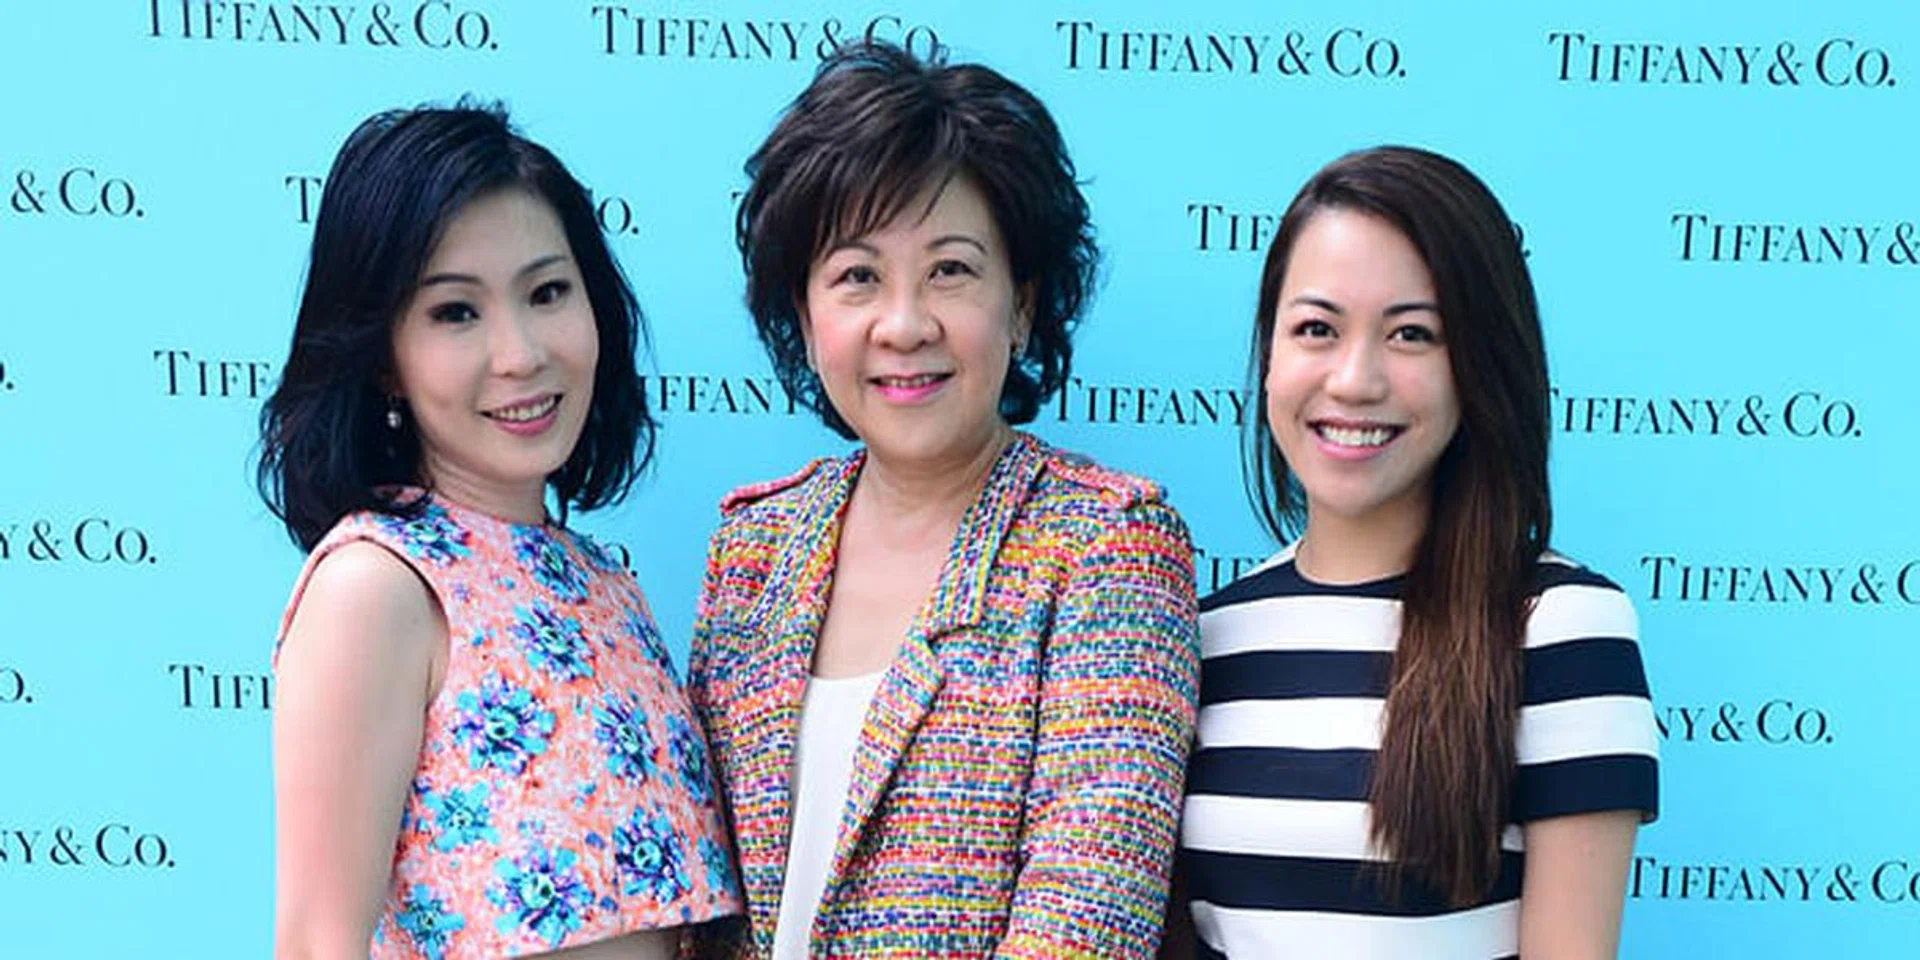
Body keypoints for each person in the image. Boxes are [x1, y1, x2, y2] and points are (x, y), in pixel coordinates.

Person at [689, 41, 1201, 959]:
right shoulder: (754, 545)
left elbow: (1088, 922)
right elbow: (708, 907)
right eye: (857, 276)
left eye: (950, 270)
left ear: (1023, 304)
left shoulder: (1108, 544)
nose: (904, 324)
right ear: (804, 317)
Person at [258, 104, 740, 959]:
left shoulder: (604, 584)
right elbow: (315, 942)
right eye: (455, 312)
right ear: (383, 357)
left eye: (547, 293)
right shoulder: (377, 588)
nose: (520, 353)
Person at [1169, 147, 1658, 959]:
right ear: (1270, 354)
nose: (1355, 380)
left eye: (1412, 334)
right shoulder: (1205, 637)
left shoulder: (1559, 626)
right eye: (1317, 329)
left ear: (1479, 365)